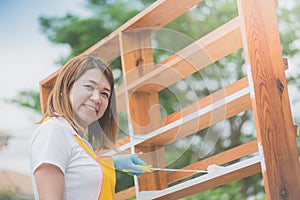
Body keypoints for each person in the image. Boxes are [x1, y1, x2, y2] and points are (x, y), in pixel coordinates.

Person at [30, 54, 148, 200]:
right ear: (66, 88)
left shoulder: (78, 141)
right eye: (89, 87)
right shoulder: (53, 130)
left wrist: (111, 163)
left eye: (105, 94)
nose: (97, 98)